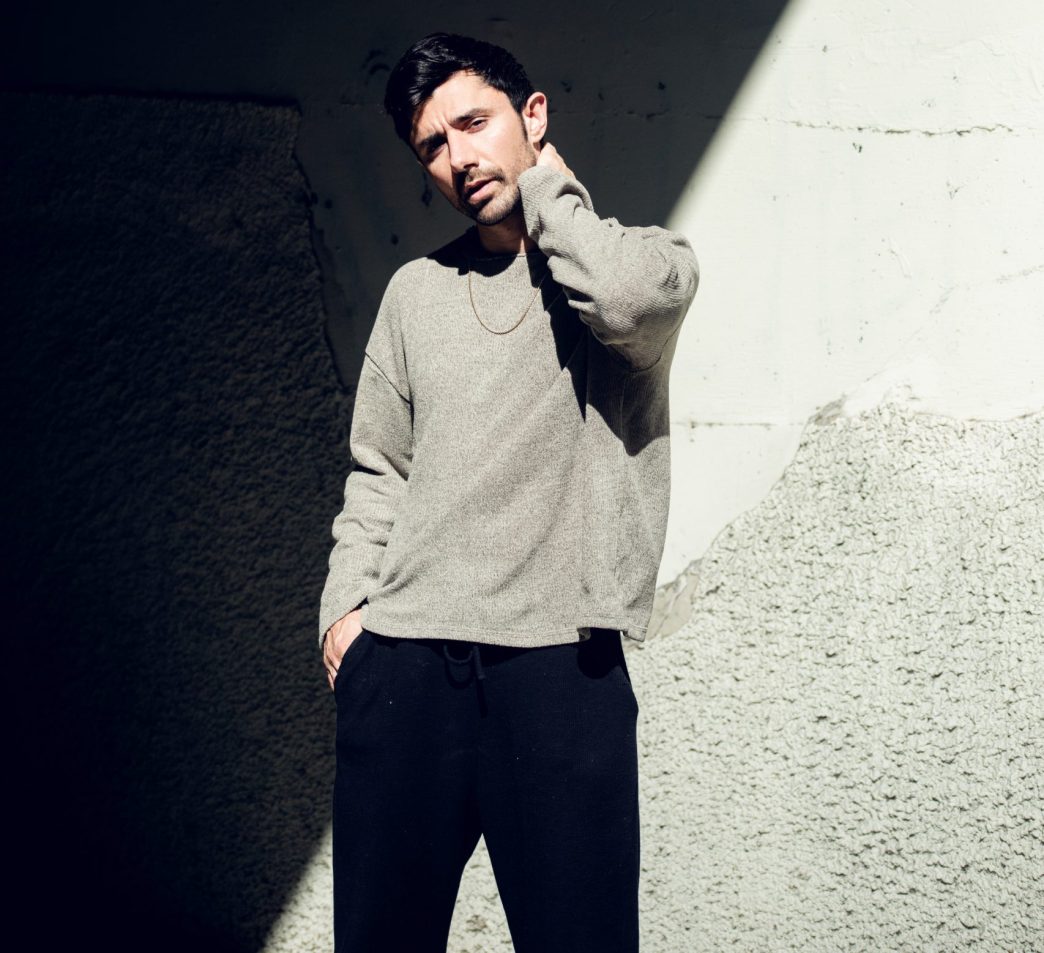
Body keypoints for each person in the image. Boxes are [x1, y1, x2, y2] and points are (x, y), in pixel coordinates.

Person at [317, 31, 699, 953]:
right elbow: (380, 468)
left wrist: (550, 194)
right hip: (405, 669)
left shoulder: (645, 264)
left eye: (474, 123)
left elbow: (626, 303)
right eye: (432, 145)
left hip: (561, 672)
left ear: (533, 116)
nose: (458, 157)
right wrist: (346, 611)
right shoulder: (416, 292)